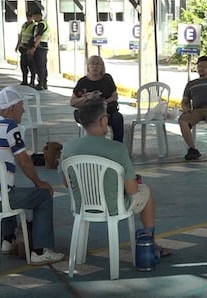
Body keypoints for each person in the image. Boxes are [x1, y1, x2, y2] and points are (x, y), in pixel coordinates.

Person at [62, 99, 171, 257]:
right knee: (145, 191)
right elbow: (132, 190)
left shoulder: (68, 147)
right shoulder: (117, 149)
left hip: (82, 206)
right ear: (103, 121)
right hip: (113, 207)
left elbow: (66, 183)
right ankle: (150, 241)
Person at [0, 87, 64, 265]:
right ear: (11, 108)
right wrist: (39, 182)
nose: (23, 110)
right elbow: (23, 160)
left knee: (7, 188)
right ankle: (40, 250)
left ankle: (8, 240)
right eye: (21, 106)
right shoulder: (10, 126)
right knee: (43, 196)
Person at [70, 55, 124, 142]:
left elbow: (115, 96)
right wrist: (86, 98)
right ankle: (93, 144)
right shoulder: (83, 81)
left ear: (102, 66)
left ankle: (117, 144)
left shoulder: (107, 79)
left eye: (98, 64)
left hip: (106, 112)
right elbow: (72, 102)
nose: (95, 66)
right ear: (88, 66)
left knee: (118, 118)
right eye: (92, 64)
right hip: (88, 113)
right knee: (88, 119)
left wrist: (103, 101)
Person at [28, 9, 49, 90]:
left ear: (39, 16)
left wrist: (34, 47)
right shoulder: (39, 24)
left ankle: (41, 84)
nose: (33, 18)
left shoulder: (41, 24)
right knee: (41, 66)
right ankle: (43, 83)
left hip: (41, 47)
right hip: (42, 46)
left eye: (34, 16)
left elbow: (39, 36)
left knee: (40, 66)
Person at [16, 11, 37, 87]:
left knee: (31, 66)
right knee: (23, 65)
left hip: (29, 48)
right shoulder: (24, 25)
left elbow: (35, 37)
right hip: (23, 47)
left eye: (30, 16)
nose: (28, 17)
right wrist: (17, 45)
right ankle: (24, 80)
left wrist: (32, 48)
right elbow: (21, 35)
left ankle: (32, 81)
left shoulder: (34, 26)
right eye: (28, 16)